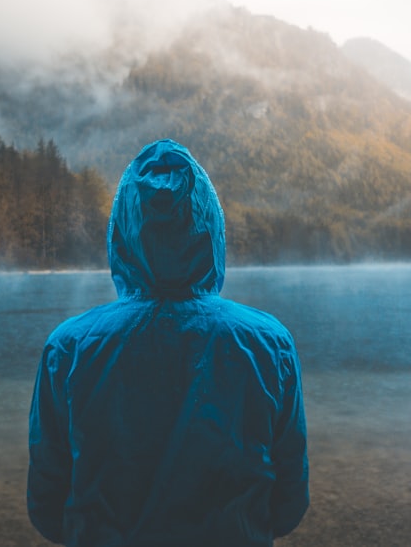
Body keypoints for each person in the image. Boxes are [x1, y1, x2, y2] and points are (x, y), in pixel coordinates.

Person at [27, 139, 308, 546]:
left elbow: (47, 505)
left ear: (122, 232)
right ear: (210, 226)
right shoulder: (269, 344)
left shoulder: (67, 349)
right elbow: (288, 503)